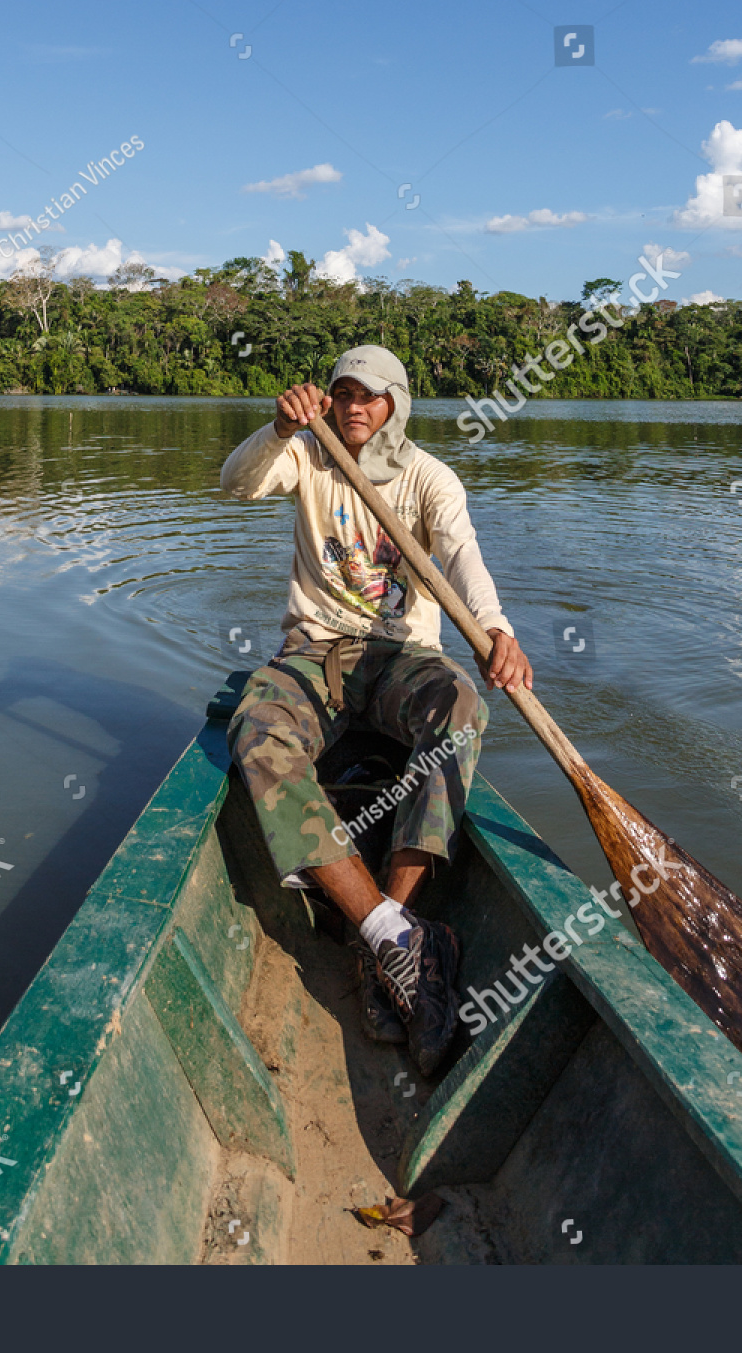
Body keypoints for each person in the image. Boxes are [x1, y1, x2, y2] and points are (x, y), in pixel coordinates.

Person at [221, 345, 532, 1076]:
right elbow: (235, 486)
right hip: (314, 655)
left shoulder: (430, 478)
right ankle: (395, 938)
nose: (354, 405)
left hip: (397, 658)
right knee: (257, 731)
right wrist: (275, 429)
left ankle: (384, 935)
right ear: (327, 399)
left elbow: (461, 557)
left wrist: (496, 631)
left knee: (460, 706)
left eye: (371, 395)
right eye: (342, 392)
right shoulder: (308, 456)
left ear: (397, 403)